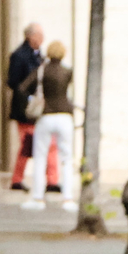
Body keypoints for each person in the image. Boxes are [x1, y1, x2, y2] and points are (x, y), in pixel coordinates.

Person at [24, 42, 76, 208]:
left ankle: (38, 198)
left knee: (40, 157)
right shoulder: (68, 71)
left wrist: (33, 98)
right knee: (67, 159)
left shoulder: (41, 70)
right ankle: (68, 198)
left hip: (46, 116)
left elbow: (22, 87)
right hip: (65, 116)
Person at [7, 23, 46, 195]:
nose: (42, 38)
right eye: (39, 35)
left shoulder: (39, 56)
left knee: (37, 144)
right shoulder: (19, 55)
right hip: (25, 108)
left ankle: (46, 179)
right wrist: (28, 97)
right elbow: (13, 82)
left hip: (37, 107)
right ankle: (17, 179)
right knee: (27, 144)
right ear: (31, 36)